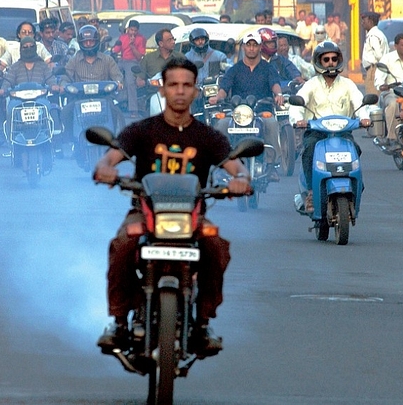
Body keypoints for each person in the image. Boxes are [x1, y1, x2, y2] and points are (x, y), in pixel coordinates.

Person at [94, 58, 251, 355]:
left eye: (187, 85)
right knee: (123, 244)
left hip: (192, 217)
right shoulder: (141, 130)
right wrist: (105, 169)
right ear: (162, 90)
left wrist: (242, 179)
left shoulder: (208, 136)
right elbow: (110, 158)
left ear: (195, 92)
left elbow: (237, 167)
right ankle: (118, 322)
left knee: (216, 246)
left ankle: (203, 323)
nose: (180, 91)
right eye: (173, 85)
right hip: (146, 212)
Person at [289, 42, 371, 212]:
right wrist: (298, 120)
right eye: (326, 59)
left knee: (355, 150)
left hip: (342, 134)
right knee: (309, 149)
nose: (331, 62)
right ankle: (311, 192)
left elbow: (360, 102)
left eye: (334, 58)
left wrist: (365, 118)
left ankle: (356, 184)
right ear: (319, 62)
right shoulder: (311, 84)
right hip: (317, 134)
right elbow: (298, 103)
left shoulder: (348, 84)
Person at [209, 31, 283, 182]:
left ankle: (271, 166)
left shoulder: (268, 68)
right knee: (221, 125)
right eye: (248, 45)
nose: (251, 48)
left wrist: (279, 94)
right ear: (243, 47)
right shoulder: (235, 69)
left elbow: (275, 84)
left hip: (261, 111)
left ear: (260, 47)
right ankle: (223, 164)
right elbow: (224, 88)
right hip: (237, 113)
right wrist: (217, 97)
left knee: (272, 124)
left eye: (254, 45)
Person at [59, 25, 124, 145]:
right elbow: (65, 76)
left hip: (104, 98)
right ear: (80, 43)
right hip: (79, 98)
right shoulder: (74, 60)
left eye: (91, 41)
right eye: (85, 42)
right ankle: (72, 140)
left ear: (97, 42)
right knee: (65, 112)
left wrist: (118, 83)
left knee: (117, 112)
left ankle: (114, 139)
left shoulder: (107, 59)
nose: (88, 44)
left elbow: (117, 76)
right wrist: (63, 85)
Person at [373, 32, 403, 147]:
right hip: (392, 93)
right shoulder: (387, 59)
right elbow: (379, 80)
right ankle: (392, 137)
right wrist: (383, 86)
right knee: (393, 104)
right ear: (395, 46)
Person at [184, 27, 227, 114]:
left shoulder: (219, 56)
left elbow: (228, 71)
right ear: (192, 41)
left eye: (202, 39)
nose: (200, 42)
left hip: (214, 93)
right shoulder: (187, 57)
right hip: (195, 94)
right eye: (197, 40)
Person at [112, 19, 146, 119]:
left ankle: (133, 109)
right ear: (128, 29)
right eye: (131, 30)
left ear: (138, 30)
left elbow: (139, 57)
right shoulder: (122, 37)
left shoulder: (141, 39)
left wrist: (132, 45)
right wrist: (114, 49)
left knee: (130, 82)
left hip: (132, 62)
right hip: (122, 61)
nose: (133, 33)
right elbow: (117, 50)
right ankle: (114, 104)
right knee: (113, 78)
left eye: (135, 31)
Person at [360, 11, 389, 96]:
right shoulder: (378, 34)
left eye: (364, 21)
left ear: (370, 21)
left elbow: (378, 54)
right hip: (377, 69)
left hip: (374, 70)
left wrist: (375, 69)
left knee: (372, 97)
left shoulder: (373, 36)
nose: (362, 23)